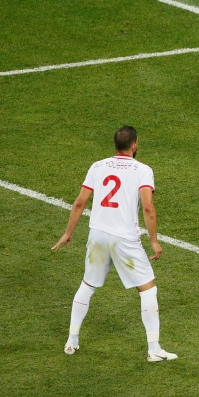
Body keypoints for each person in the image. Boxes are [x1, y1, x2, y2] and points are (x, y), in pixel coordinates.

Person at [51, 126, 177, 362]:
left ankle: (72, 340)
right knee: (148, 289)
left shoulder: (97, 166)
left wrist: (68, 232)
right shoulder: (143, 170)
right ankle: (154, 349)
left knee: (87, 285)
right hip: (125, 239)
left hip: (97, 235)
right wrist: (153, 240)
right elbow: (148, 207)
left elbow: (80, 202)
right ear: (135, 145)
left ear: (115, 145)